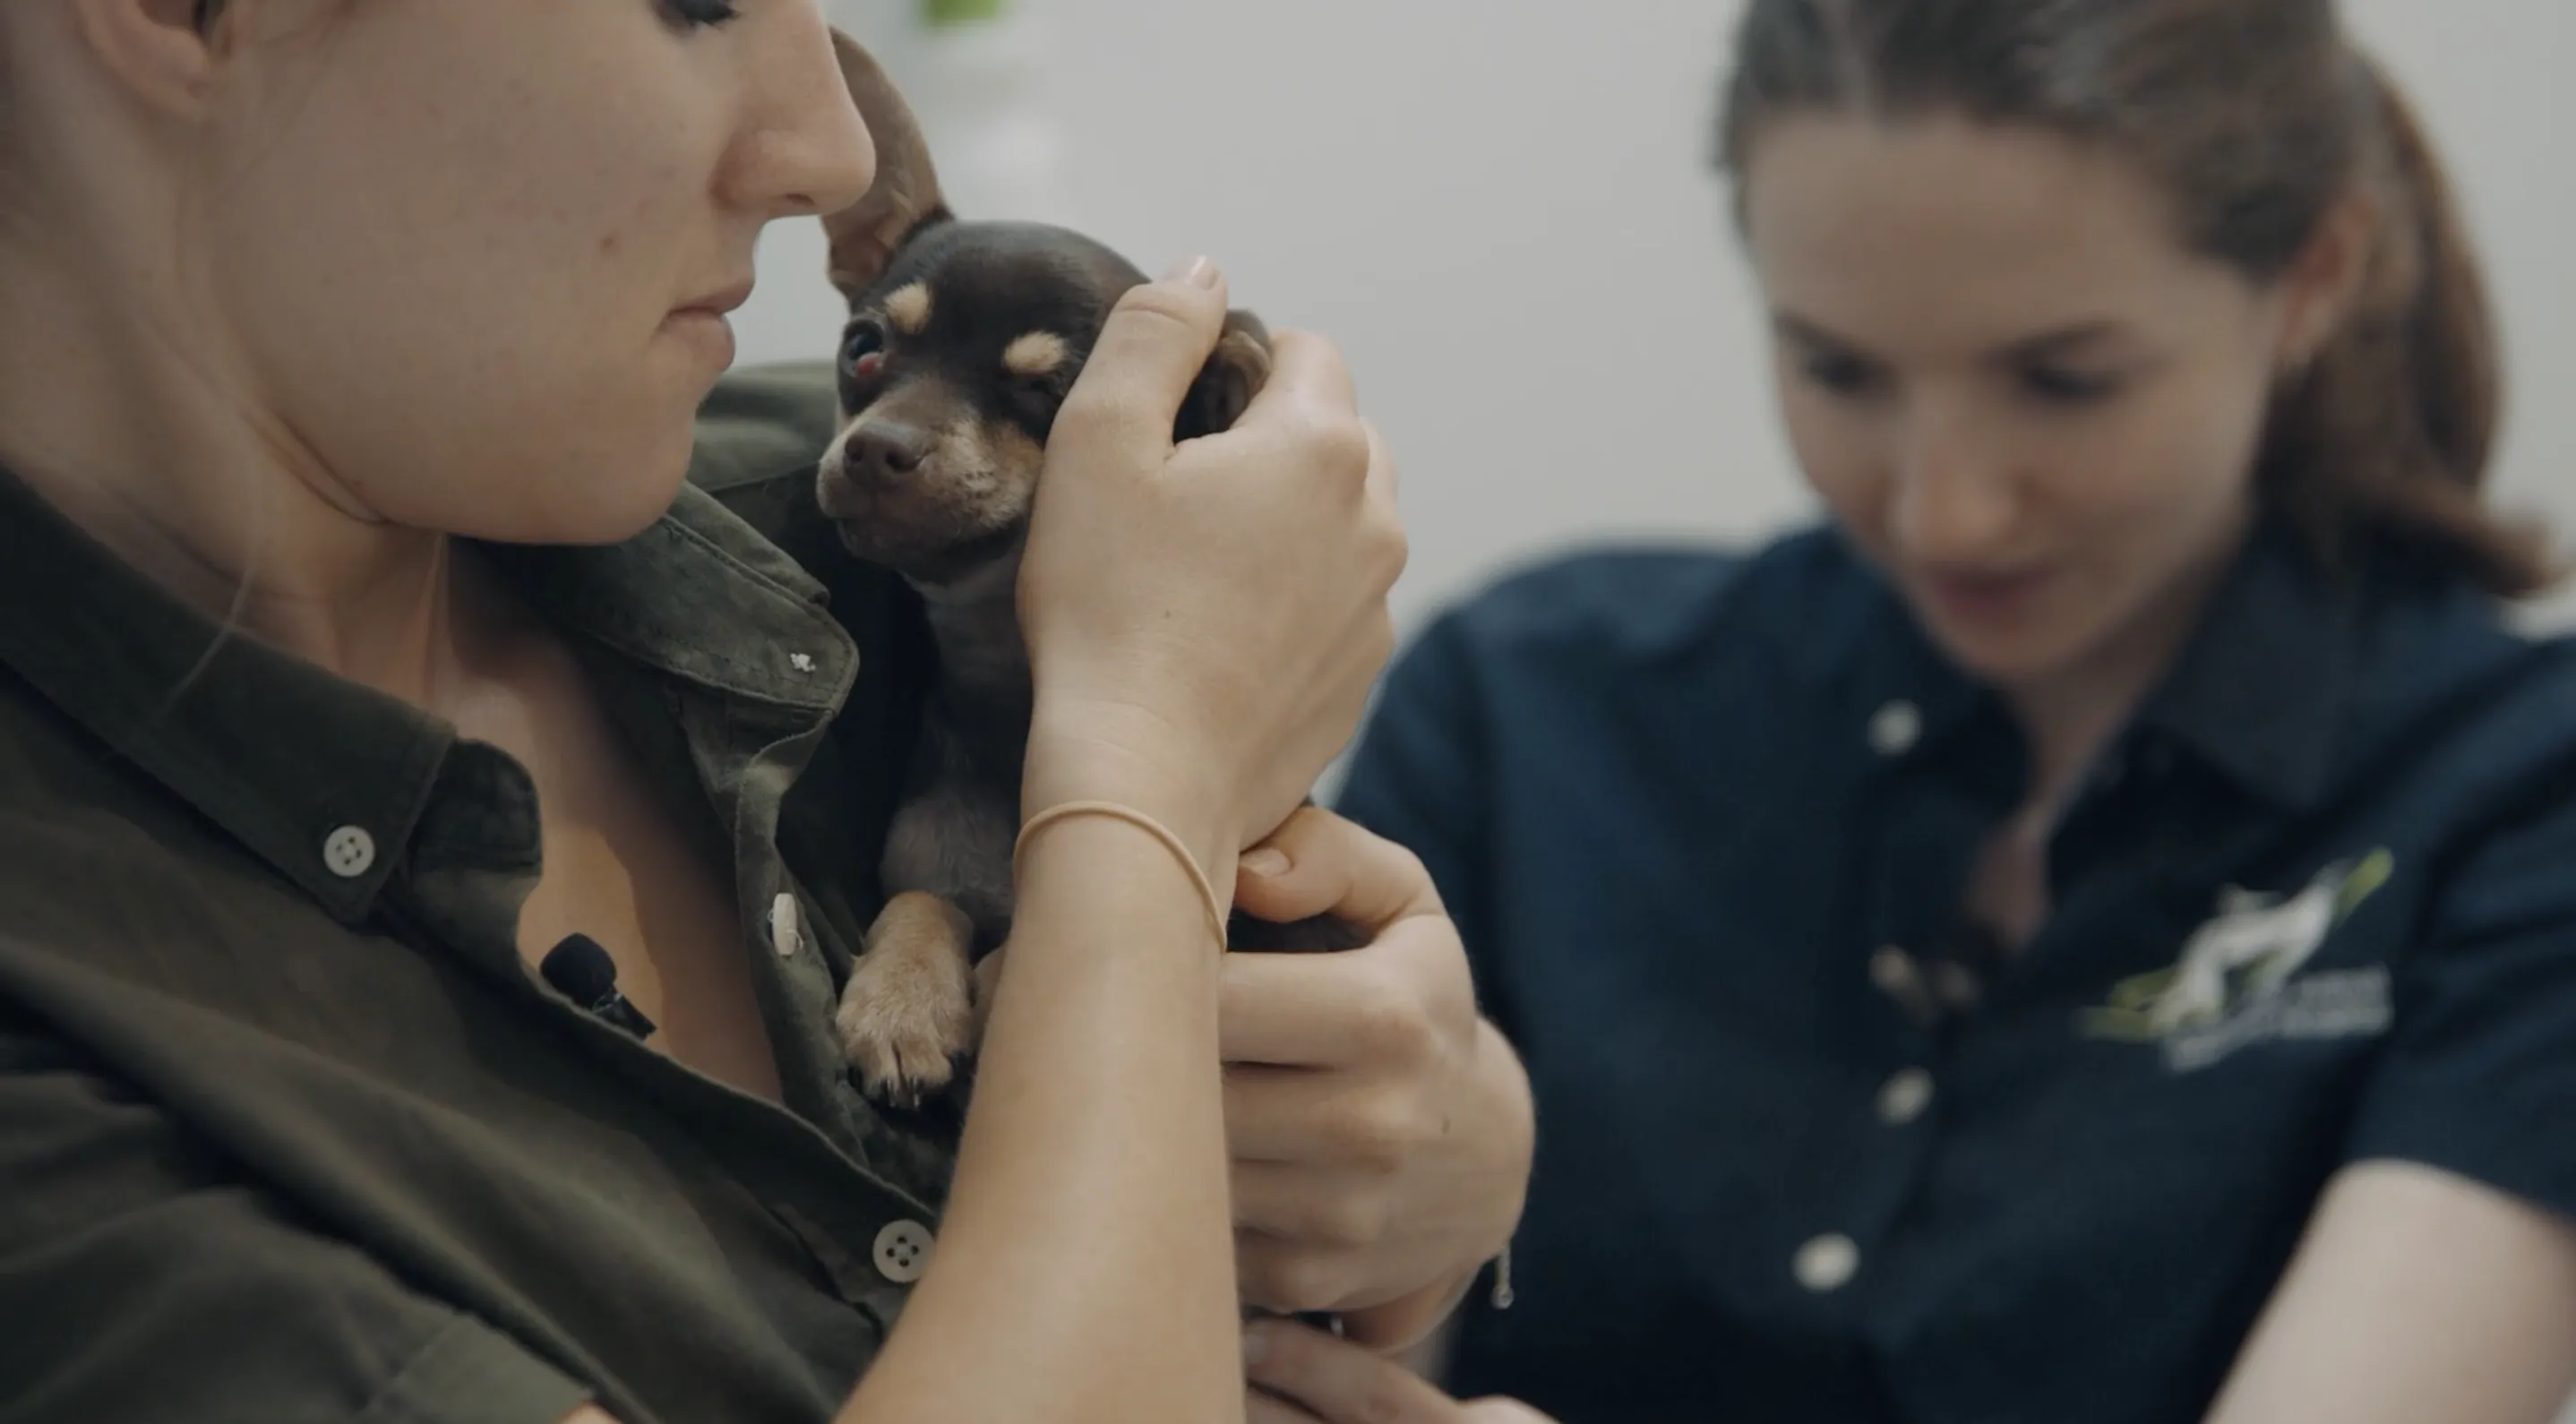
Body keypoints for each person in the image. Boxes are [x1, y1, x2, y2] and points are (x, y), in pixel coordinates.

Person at [0, 3, 1535, 1423]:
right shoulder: (61, 1080)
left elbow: (1394, 1132)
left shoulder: (853, 500)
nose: (836, 149)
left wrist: (1444, 1152)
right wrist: (1144, 774)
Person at [1246, 1, 2576, 1422]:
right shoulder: (1529, 713)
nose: (1946, 507)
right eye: (1838, 370)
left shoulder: (2520, 792)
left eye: (2065, 379)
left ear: (2315, 275)